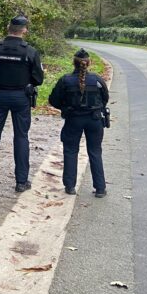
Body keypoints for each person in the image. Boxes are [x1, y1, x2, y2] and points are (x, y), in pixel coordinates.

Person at [0, 15, 44, 192]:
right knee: (21, 137)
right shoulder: (30, 52)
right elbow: (38, 78)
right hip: (21, 97)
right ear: (24, 30)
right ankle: (21, 182)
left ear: (8, 28)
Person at [48, 49, 109, 198]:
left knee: (70, 150)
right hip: (94, 119)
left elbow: (53, 100)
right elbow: (105, 98)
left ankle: (70, 186)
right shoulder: (97, 80)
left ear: (73, 62)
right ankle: (100, 188)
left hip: (73, 119)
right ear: (89, 63)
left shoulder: (65, 80)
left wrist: (65, 107)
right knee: (95, 151)